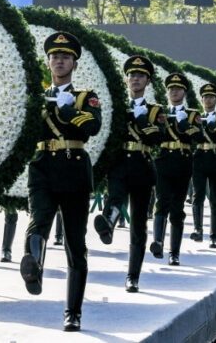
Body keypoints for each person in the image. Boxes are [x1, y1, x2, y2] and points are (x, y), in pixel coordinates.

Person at [20, 31, 102, 332]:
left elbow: (91, 126)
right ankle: (34, 267)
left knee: (75, 244)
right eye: (55, 57)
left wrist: (68, 108)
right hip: (42, 167)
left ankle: (73, 311)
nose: (59, 61)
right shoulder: (37, 97)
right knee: (38, 221)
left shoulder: (85, 97)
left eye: (65, 57)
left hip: (74, 170)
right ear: (48, 62)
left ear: (74, 64)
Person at [92, 54, 165, 292]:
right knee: (114, 198)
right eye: (132, 75)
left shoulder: (155, 111)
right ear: (126, 79)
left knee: (138, 225)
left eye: (140, 76)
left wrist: (141, 116)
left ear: (147, 82)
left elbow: (156, 137)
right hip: (119, 163)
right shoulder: (117, 107)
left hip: (142, 166)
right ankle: (108, 226)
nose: (135, 79)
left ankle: (133, 276)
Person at [149, 72, 201, 266]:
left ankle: (175, 252)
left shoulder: (192, 114)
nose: (174, 92)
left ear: (184, 92)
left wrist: (185, 123)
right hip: (163, 160)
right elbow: (153, 135)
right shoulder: (159, 113)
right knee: (161, 201)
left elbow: (198, 136)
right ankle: (158, 242)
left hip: (183, 161)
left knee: (177, 208)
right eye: (171, 89)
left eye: (178, 89)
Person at [191, 83, 216, 248]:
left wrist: (213, 124)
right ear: (201, 100)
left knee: (215, 198)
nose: (208, 100)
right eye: (205, 97)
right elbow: (192, 135)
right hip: (200, 158)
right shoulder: (196, 118)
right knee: (197, 195)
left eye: (211, 97)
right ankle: (198, 229)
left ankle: (214, 235)